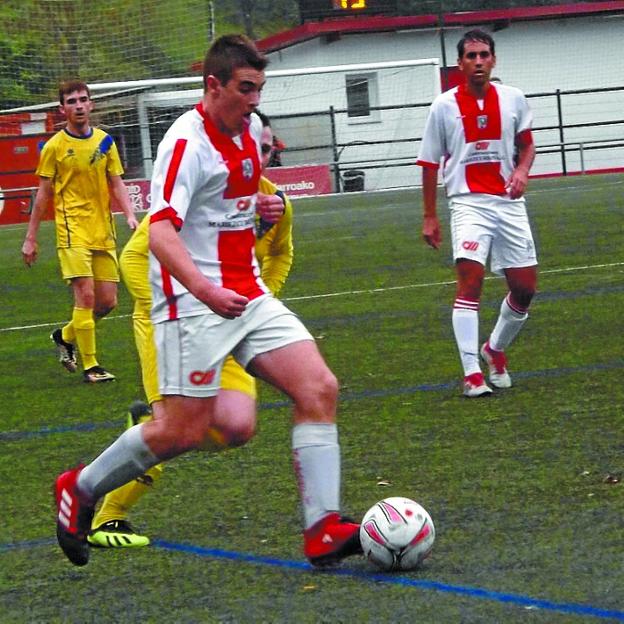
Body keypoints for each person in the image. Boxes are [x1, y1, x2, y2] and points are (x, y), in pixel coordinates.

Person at [54, 34, 361, 568]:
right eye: (245, 89)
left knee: (315, 388)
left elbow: (233, 196)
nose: (254, 100)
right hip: (192, 300)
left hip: (246, 290)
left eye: (259, 89)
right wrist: (204, 289)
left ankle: (323, 529)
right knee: (184, 430)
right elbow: (161, 233)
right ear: (213, 85)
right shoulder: (185, 143)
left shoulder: (251, 130)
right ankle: (80, 488)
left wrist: (260, 207)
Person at [88, 111, 295, 548]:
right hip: (176, 321)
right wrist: (173, 304)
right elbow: (136, 253)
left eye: (266, 148)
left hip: (231, 320)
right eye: (254, 144)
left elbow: (281, 254)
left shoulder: (275, 203)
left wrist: (258, 301)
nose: (257, 153)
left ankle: (147, 426)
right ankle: (107, 516)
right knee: (175, 426)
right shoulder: (203, 191)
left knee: (235, 429)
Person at [416, 29, 537, 398]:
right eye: (471, 56)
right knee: (470, 282)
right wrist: (429, 216)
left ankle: (494, 350)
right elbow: (429, 163)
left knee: (525, 289)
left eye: (485, 54)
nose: (479, 61)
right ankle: (471, 373)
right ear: (460, 64)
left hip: (508, 202)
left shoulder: (514, 99)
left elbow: (528, 145)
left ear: (494, 60)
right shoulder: (443, 106)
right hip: (468, 203)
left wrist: (521, 171)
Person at [22, 80, 139, 383]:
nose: (78, 105)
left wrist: (129, 214)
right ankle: (92, 367)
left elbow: (116, 182)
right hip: (72, 230)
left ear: (91, 104)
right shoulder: (54, 147)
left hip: (102, 229)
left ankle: (64, 336)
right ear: (62, 109)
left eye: (82, 100)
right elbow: (44, 195)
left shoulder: (105, 142)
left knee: (108, 302)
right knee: (85, 296)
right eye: (71, 101)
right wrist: (31, 237)